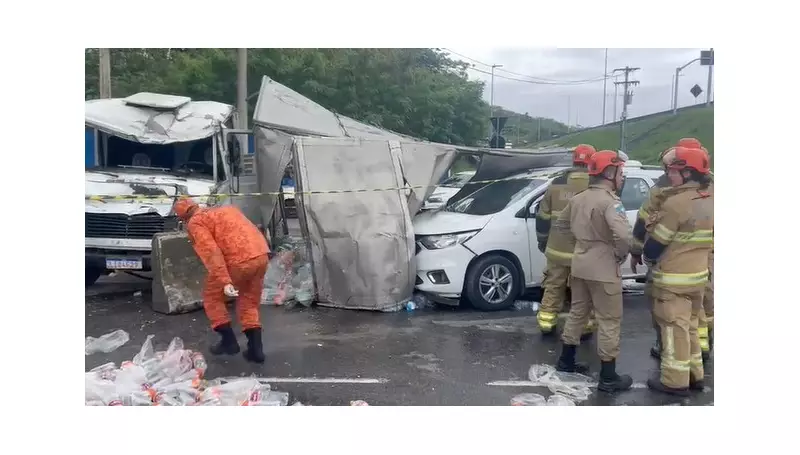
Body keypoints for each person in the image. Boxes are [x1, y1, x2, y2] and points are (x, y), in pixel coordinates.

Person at [553, 150, 633, 393]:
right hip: (603, 266)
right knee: (609, 320)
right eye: (620, 171)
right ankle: (608, 376)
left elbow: (561, 224)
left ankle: (566, 361)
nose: (621, 176)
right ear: (610, 172)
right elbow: (624, 237)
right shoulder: (611, 201)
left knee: (578, 312)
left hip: (580, 263)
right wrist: (619, 253)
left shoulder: (579, 198)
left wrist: (582, 240)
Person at [631, 137, 713, 361]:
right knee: (701, 305)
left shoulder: (665, 190)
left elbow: (644, 221)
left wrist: (638, 251)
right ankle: (701, 350)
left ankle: (671, 352)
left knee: (670, 312)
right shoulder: (713, 187)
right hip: (705, 259)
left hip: (672, 261)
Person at [173, 198, 270, 363]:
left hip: (237, 261)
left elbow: (211, 252)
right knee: (248, 300)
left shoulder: (196, 222)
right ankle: (256, 350)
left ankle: (229, 342)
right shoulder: (227, 209)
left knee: (212, 297)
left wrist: (225, 281)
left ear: (183, 217)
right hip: (260, 255)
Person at [535, 144, 596, 337]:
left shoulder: (557, 183)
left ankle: (547, 323)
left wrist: (543, 241)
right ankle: (584, 326)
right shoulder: (596, 185)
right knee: (583, 290)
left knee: (553, 286)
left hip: (557, 249)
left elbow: (543, 217)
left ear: (574, 160)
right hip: (585, 252)